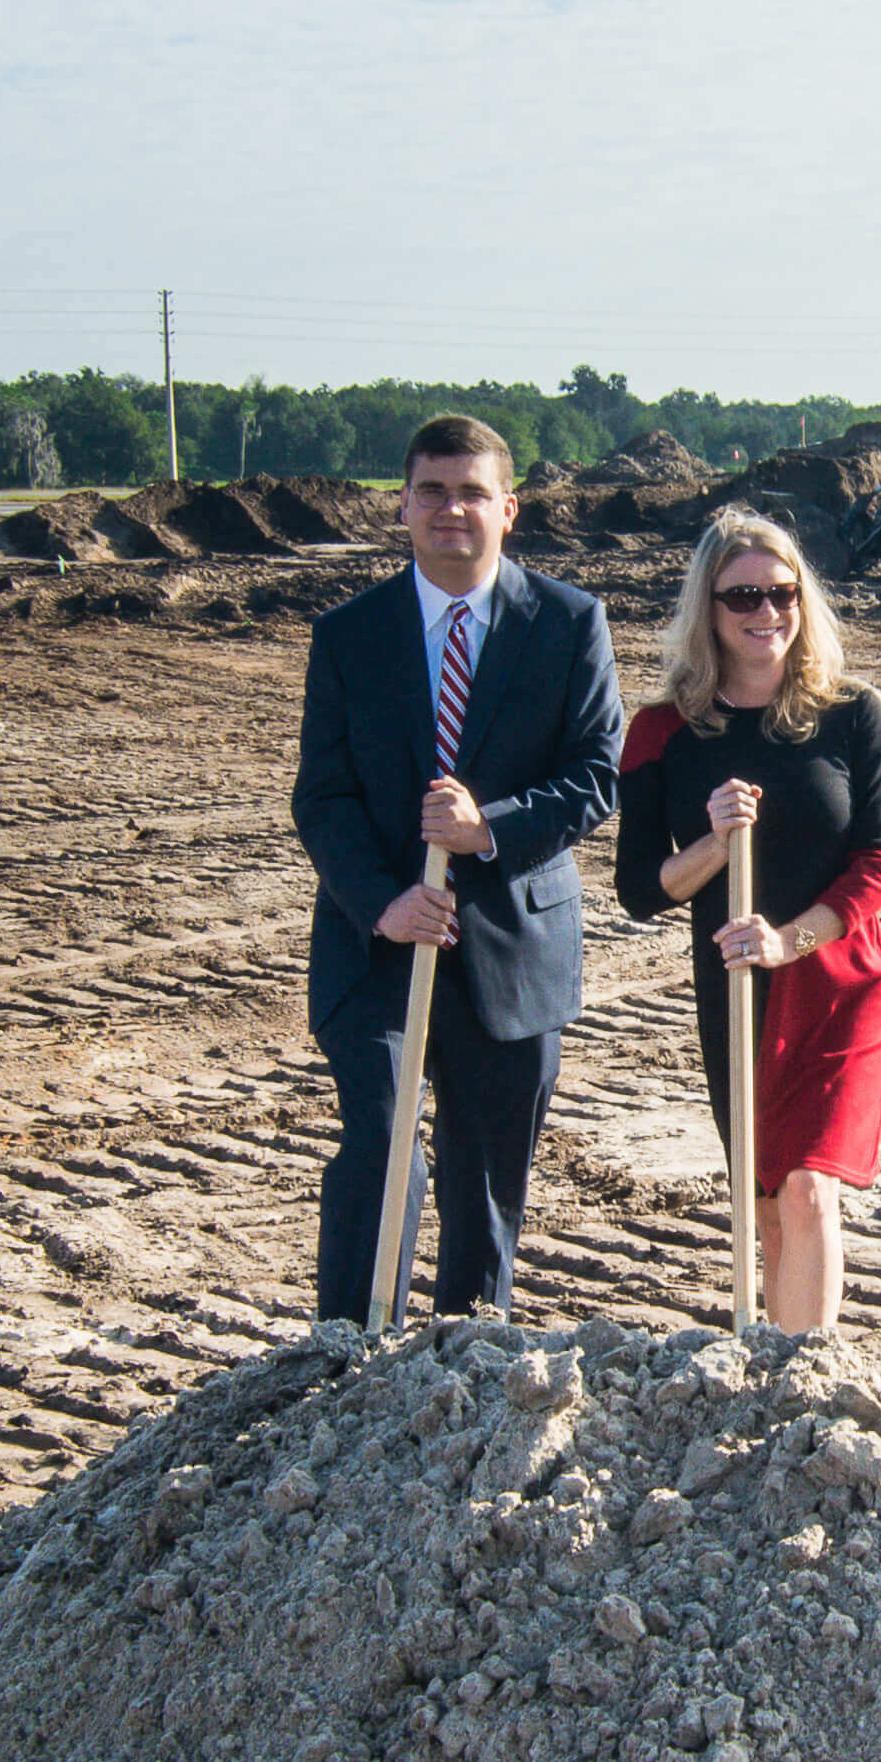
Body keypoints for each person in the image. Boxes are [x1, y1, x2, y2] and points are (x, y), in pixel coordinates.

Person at [290, 413, 620, 1322]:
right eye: (431, 491)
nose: (450, 509)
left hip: (511, 947)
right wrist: (383, 903)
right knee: (380, 1146)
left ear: (508, 508)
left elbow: (598, 775)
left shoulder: (569, 622)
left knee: (484, 1177)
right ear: (401, 506)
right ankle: (350, 1356)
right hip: (377, 948)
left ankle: (465, 1364)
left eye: (472, 492)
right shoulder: (348, 634)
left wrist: (488, 830)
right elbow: (322, 796)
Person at [615, 507, 881, 1333]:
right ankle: (776, 1374)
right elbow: (639, 889)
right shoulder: (661, 731)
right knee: (768, 1203)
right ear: (706, 609)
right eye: (742, 596)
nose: (766, 612)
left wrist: (790, 939)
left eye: (782, 593)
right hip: (737, 989)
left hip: (839, 980)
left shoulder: (853, 711)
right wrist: (714, 846)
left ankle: (809, 1375)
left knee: (809, 1187)